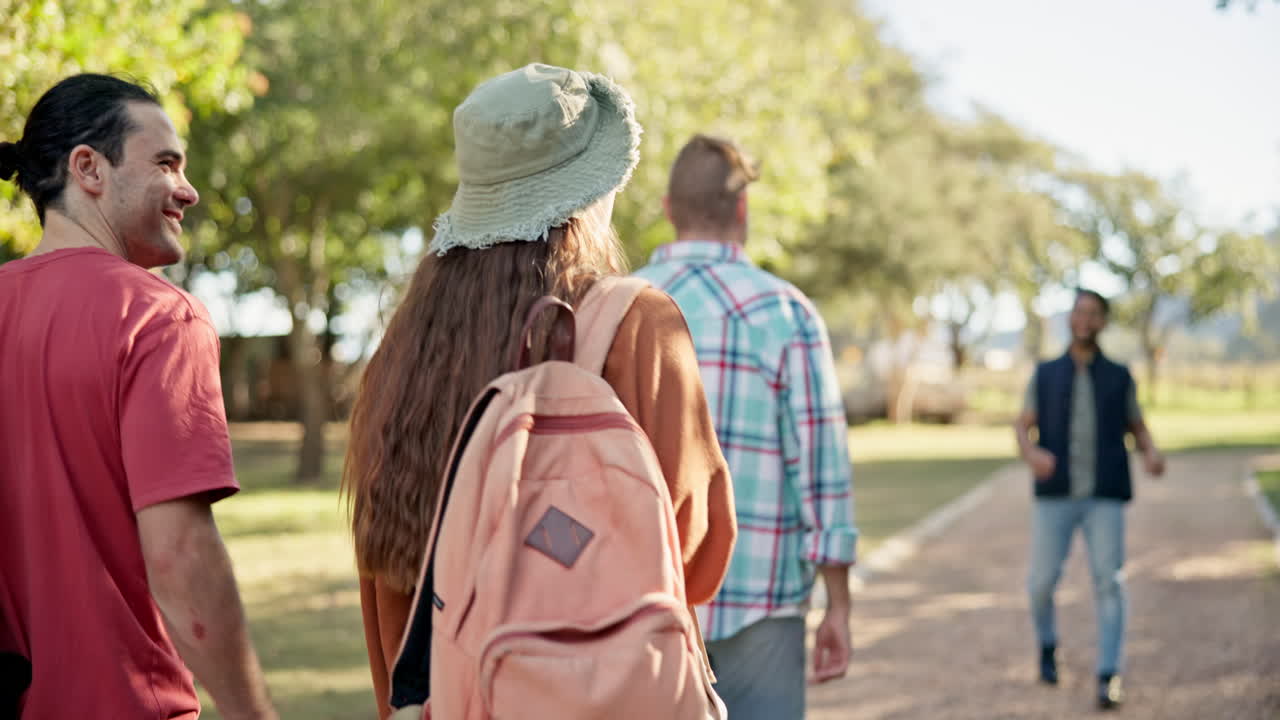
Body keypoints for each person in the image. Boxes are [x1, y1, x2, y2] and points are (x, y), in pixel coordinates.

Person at [342, 64, 738, 720]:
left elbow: (383, 569)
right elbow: (692, 547)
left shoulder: (402, 347)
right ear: (590, 190)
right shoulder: (636, 325)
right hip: (596, 693)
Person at [0, 74, 277, 720]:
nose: (190, 190)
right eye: (166, 164)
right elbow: (180, 556)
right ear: (89, 169)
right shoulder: (157, 319)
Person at [634, 134, 859, 720]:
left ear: (667, 209)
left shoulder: (612, 309)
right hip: (761, 597)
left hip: (641, 602)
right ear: (742, 209)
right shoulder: (784, 313)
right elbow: (821, 468)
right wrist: (839, 604)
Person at [1014, 289, 1165, 710]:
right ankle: (1047, 646)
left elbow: (1137, 425)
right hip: (1055, 495)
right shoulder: (1044, 374)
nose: (1085, 319)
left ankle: (1108, 674)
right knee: (1040, 584)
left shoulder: (1120, 375)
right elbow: (1023, 425)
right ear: (1070, 319)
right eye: (1079, 311)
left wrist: (1150, 452)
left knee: (1108, 582)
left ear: (1102, 321)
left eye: (1093, 313)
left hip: (1104, 495)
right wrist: (1031, 453)